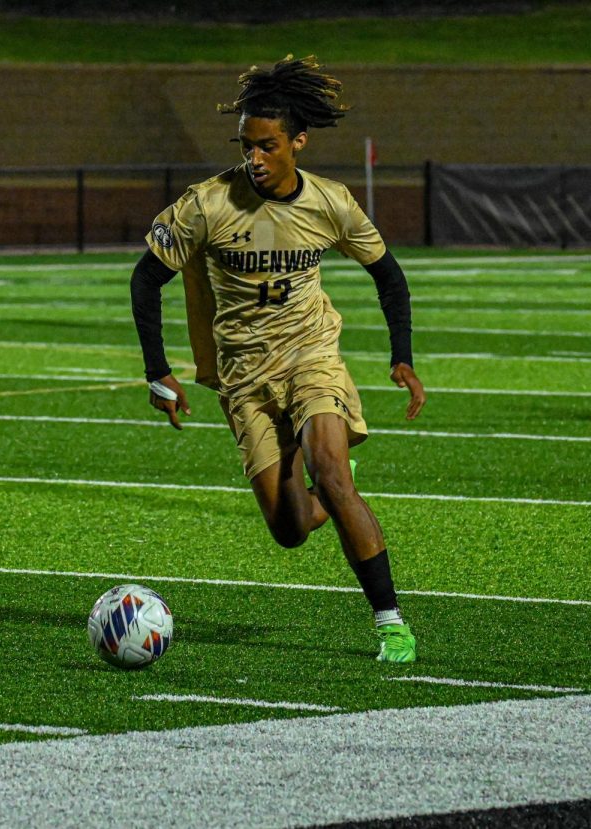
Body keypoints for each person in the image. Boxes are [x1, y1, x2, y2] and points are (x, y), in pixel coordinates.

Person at [130, 55, 426, 663]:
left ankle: (391, 622)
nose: (254, 158)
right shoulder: (207, 205)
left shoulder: (331, 202)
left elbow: (389, 276)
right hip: (244, 374)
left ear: (297, 141)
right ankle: (327, 486)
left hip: (312, 353)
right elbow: (145, 279)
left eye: (266, 146)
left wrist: (403, 356)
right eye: (246, 146)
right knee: (289, 531)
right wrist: (157, 369)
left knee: (333, 475)